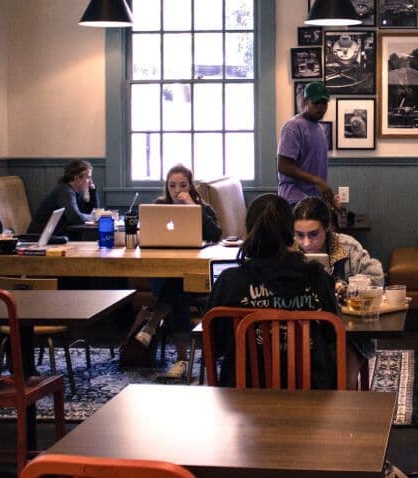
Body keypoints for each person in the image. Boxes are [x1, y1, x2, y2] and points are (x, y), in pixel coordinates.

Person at [207, 196, 346, 388]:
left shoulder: (228, 281)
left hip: (242, 395)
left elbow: (214, 345)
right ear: (291, 233)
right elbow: (332, 336)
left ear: (249, 230)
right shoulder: (318, 278)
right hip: (312, 395)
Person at [131, 164, 221, 379]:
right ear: (166, 186)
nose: (176, 190)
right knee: (176, 286)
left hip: (193, 275)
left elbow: (216, 235)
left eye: (182, 185)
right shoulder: (158, 207)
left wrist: (192, 207)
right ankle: (181, 360)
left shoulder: (202, 208)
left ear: (191, 186)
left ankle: (154, 323)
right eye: (172, 185)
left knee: (178, 285)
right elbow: (145, 235)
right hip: (163, 273)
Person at [293, 196, 383, 387]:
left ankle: (342, 411)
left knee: (343, 375)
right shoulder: (289, 251)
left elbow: (376, 276)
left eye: (313, 234)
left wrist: (350, 287)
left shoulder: (347, 246)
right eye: (299, 235)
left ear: (327, 228)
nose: (306, 243)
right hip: (299, 332)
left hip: (348, 332)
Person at [277, 81, 337, 208]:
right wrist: (317, 180)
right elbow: (283, 165)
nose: (321, 107)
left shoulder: (319, 129)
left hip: (312, 201)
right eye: (316, 103)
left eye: (324, 103)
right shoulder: (293, 127)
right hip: (295, 201)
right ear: (305, 101)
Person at [27, 159, 100, 237]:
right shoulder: (65, 191)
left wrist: (93, 191)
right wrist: (96, 217)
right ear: (76, 178)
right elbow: (76, 218)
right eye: (88, 177)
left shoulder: (74, 192)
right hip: (40, 238)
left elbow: (90, 211)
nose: (90, 181)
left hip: (53, 236)